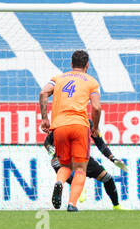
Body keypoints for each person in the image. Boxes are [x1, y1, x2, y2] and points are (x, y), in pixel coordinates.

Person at [39, 50, 102, 212]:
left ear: (71, 64)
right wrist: (95, 126)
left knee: (65, 164)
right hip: (80, 126)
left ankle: (59, 182)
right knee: (80, 168)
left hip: (59, 126)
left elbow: (43, 92)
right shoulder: (92, 82)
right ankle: (72, 204)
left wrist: (45, 118)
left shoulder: (58, 78)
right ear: (87, 65)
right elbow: (96, 107)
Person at [44, 119, 128, 210]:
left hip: (74, 157)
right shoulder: (69, 122)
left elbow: (100, 143)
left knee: (107, 178)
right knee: (59, 164)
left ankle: (115, 205)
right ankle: (78, 190)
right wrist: (51, 150)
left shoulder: (81, 123)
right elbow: (47, 142)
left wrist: (113, 158)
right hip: (80, 157)